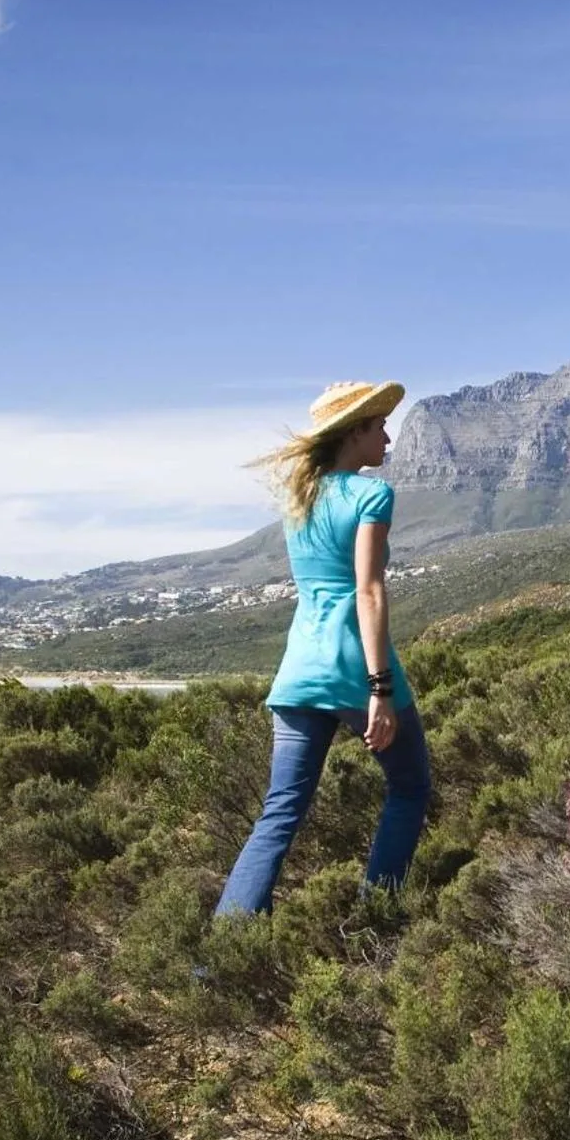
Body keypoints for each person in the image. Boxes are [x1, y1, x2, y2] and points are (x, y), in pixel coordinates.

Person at [215, 380, 432, 916]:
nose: (388, 438)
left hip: (298, 671)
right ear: (354, 431)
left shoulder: (300, 501)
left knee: (279, 814)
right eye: (380, 426)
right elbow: (368, 591)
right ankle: (374, 920)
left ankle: (219, 961)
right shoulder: (371, 495)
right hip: (354, 667)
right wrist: (380, 690)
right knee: (409, 788)